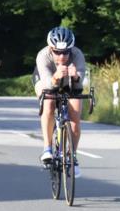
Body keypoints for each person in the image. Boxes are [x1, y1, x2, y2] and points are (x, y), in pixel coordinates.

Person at [33, 27, 87, 177]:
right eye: (57, 52)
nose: (62, 56)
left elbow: (79, 85)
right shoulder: (43, 56)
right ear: (51, 49)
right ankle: (47, 148)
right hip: (46, 79)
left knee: (75, 116)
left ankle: (73, 157)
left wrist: (76, 77)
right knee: (49, 102)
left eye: (65, 52)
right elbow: (48, 85)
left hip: (69, 81)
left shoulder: (77, 55)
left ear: (71, 49)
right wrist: (56, 77)